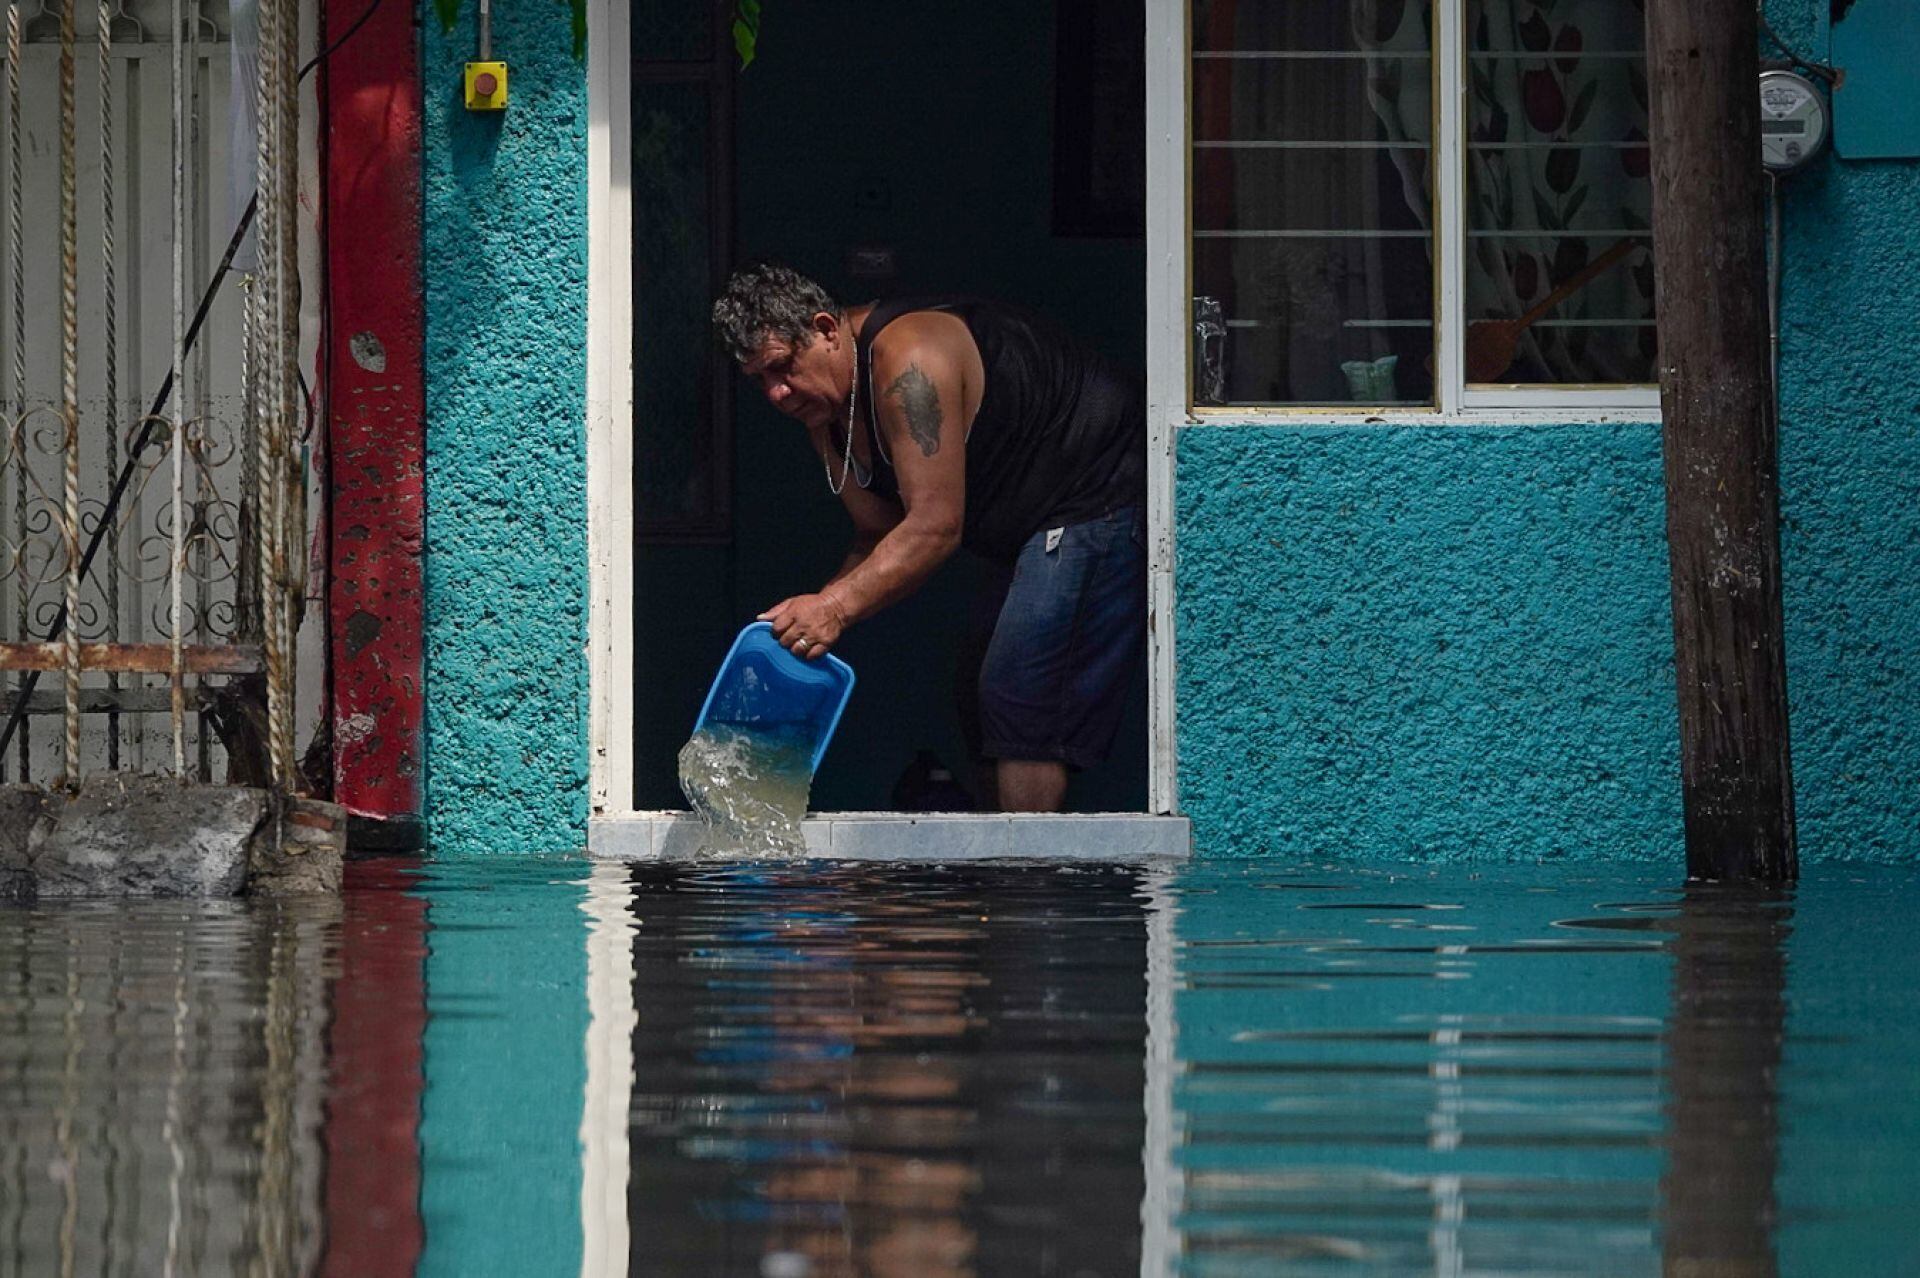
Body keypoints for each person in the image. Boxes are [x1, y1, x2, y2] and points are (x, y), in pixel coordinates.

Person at [711, 263, 1145, 812]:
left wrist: (835, 609)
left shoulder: (908, 362)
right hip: (1025, 526)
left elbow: (934, 527)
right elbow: (877, 533)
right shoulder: (823, 408)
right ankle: (997, 878)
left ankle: (1031, 890)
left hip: (1096, 492)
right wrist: (803, 624)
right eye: (759, 380)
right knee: (976, 698)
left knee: (1020, 694)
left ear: (825, 329)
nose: (775, 393)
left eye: (780, 368)